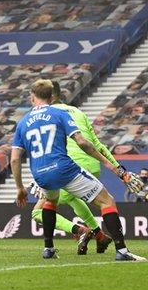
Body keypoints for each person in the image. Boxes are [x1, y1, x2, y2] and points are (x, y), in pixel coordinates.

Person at [11, 79, 145, 261]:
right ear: (52, 97)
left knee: (50, 202)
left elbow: (14, 158)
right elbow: (83, 142)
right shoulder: (61, 113)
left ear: (31, 97)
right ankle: (122, 251)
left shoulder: (22, 122)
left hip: (40, 173)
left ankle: (49, 249)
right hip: (64, 168)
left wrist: (19, 188)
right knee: (107, 201)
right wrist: (113, 167)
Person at [30, 81, 126, 255]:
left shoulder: (48, 116)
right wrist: (118, 168)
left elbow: (46, 147)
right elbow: (97, 144)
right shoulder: (78, 112)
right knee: (75, 199)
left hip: (66, 166)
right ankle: (99, 236)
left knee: (38, 212)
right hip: (92, 162)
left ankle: (80, 231)